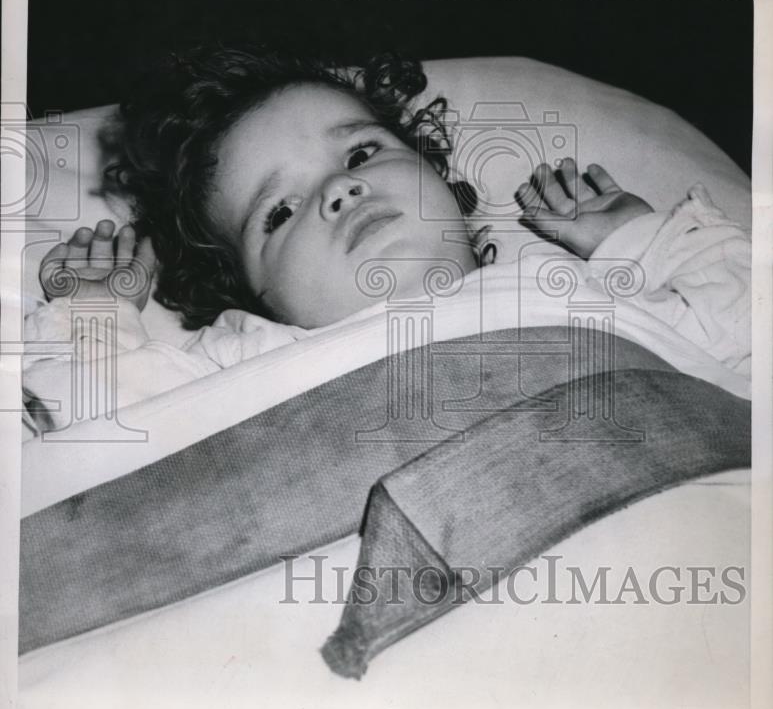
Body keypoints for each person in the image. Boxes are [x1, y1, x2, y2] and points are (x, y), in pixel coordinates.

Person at [23, 47, 751, 431]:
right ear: (254, 297)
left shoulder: (572, 294)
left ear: (442, 183)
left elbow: (749, 328)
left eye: (362, 154)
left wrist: (635, 237)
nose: (337, 190)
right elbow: (111, 432)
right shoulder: (256, 357)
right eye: (277, 213)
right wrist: (94, 312)